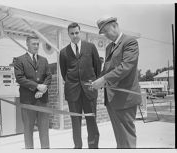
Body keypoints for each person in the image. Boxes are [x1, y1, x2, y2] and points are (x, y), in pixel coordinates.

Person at [92, 17, 142, 148]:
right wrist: (97, 80)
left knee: (127, 139)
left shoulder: (130, 42)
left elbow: (126, 67)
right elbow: (107, 69)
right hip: (112, 100)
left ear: (115, 26)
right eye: (103, 32)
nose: (105, 35)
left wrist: (104, 79)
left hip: (125, 99)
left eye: (106, 31)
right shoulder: (109, 47)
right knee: (120, 139)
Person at [59, 22, 101, 149]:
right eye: (72, 33)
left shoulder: (91, 47)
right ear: (68, 35)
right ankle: (78, 147)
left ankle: (93, 147)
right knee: (75, 123)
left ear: (80, 32)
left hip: (89, 90)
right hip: (73, 93)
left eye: (77, 32)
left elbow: (97, 67)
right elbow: (63, 72)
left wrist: (93, 83)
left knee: (91, 121)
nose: (75, 35)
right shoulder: (63, 52)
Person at [14, 36, 52, 149]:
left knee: (44, 129)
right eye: (33, 44)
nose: (36, 46)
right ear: (27, 44)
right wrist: (37, 86)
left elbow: (49, 76)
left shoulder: (44, 60)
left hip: (42, 100)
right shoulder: (19, 60)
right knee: (28, 129)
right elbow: (20, 78)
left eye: (37, 44)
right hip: (28, 101)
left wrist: (43, 88)